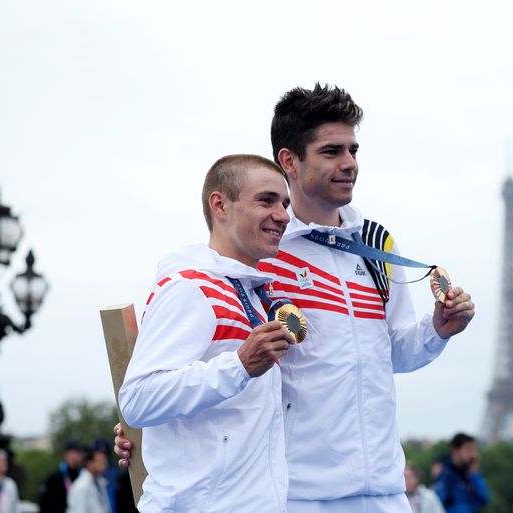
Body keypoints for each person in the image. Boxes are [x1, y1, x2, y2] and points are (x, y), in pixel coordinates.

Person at [116, 84, 475, 513]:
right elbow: (190, 354)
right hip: (296, 493)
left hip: (384, 489)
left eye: (353, 150)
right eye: (331, 152)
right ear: (289, 160)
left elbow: (392, 353)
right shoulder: (258, 250)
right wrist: (136, 431)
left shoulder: (379, 245)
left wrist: (437, 331)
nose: (349, 164)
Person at [117, 155, 294, 513]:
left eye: (285, 203)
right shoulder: (190, 288)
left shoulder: (257, 296)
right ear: (220, 205)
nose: (283, 215)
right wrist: (239, 366)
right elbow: (137, 400)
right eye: (266, 200)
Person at [432, 433, 489, 513]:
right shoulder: (445, 474)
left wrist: (474, 473)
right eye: (469, 450)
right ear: (455, 450)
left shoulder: (470, 474)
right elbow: (437, 504)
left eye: (474, 450)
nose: (473, 455)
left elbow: (483, 499)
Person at [39, 440, 85, 513]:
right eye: (72, 453)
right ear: (65, 455)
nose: (74, 456)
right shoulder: (54, 477)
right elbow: (45, 504)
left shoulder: (83, 476)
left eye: (77, 453)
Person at [67, 442, 111, 513]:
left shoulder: (99, 482)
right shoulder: (81, 487)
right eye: (100, 460)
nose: (105, 462)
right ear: (89, 463)